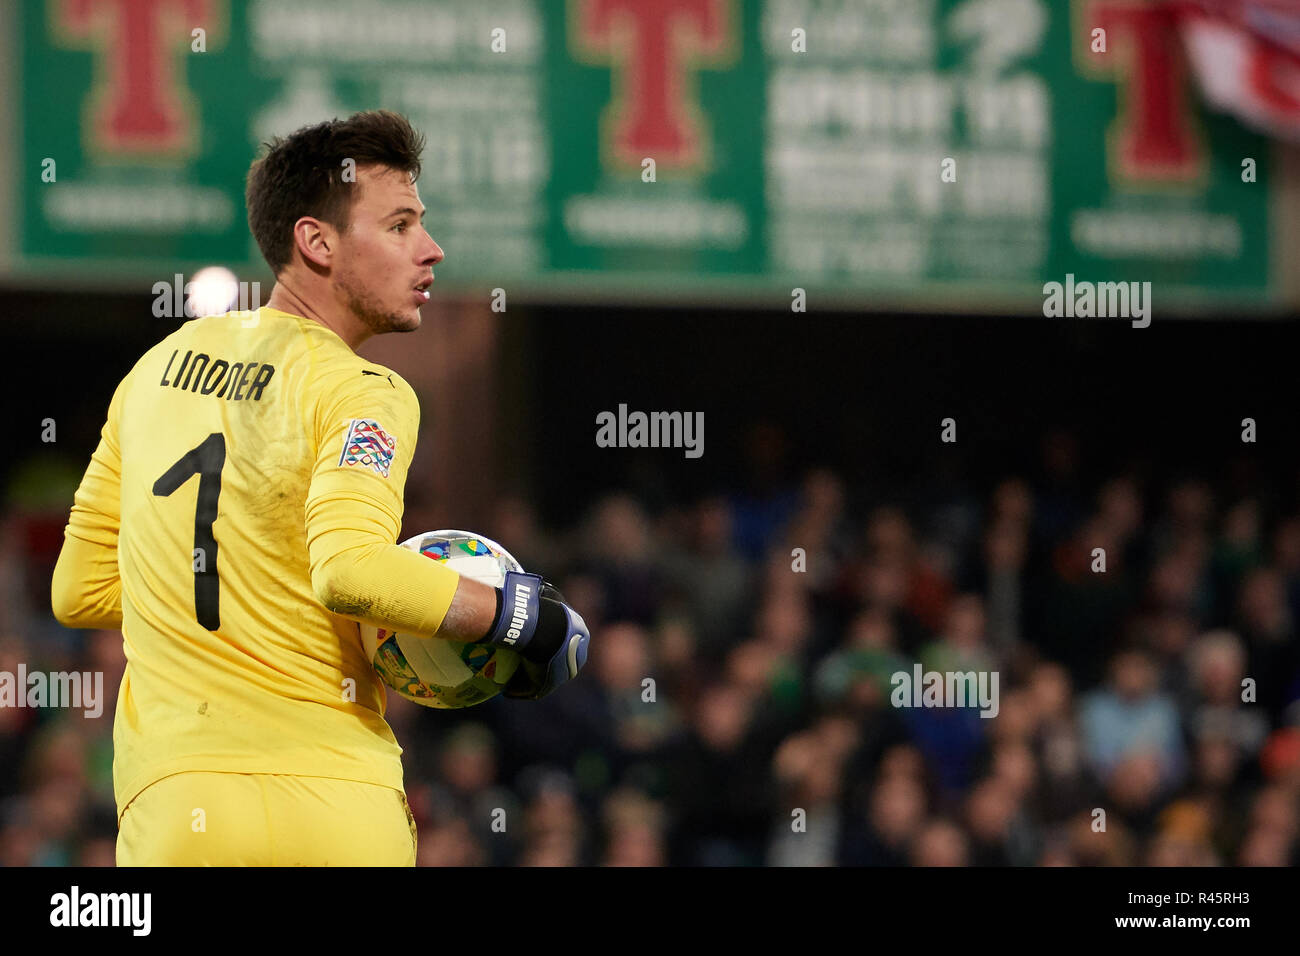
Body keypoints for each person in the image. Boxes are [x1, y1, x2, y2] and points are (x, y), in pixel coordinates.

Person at [50, 110, 590, 866]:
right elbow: (351, 571)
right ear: (317, 241)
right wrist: (516, 616)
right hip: (336, 805)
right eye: (400, 225)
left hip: (179, 806)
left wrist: (238, 599)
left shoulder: (152, 373)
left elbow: (78, 590)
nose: (431, 251)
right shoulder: (365, 390)